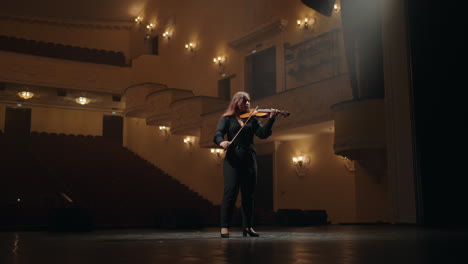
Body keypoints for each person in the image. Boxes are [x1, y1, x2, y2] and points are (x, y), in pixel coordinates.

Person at [213, 91, 279, 238]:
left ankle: (248, 227)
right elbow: (217, 134)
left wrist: (271, 120)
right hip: (233, 160)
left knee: (248, 195)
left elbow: (262, 134)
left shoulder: (252, 119)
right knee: (230, 194)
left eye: (249, 101)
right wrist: (221, 142)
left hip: (249, 159)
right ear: (236, 102)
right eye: (244, 101)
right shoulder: (227, 119)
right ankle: (224, 227)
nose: (248, 104)